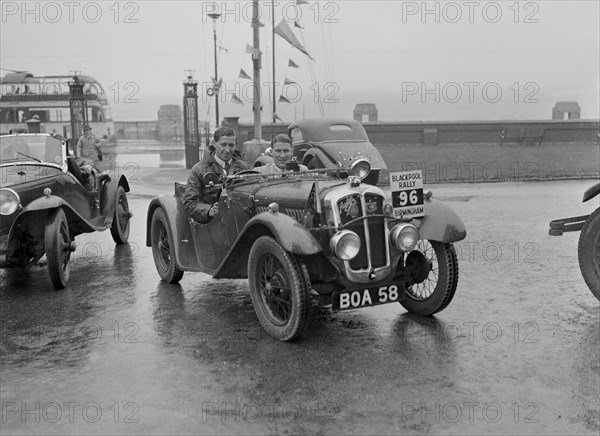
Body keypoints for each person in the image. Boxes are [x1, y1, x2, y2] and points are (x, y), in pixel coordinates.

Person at [182, 126, 249, 223]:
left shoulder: (244, 167)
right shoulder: (198, 170)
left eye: (231, 145)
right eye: (223, 145)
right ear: (214, 143)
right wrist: (209, 210)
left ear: (236, 145)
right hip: (213, 224)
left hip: (241, 219)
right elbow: (190, 203)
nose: (227, 150)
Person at [75, 124, 108, 189]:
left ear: (90, 130)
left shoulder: (95, 137)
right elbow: (78, 147)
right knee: (87, 172)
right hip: (85, 159)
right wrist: (78, 156)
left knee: (98, 171)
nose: (86, 132)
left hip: (94, 158)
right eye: (85, 131)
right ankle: (89, 185)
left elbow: (101, 143)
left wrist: (98, 145)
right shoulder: (82, 138)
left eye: (87, 130)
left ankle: (99, 184)